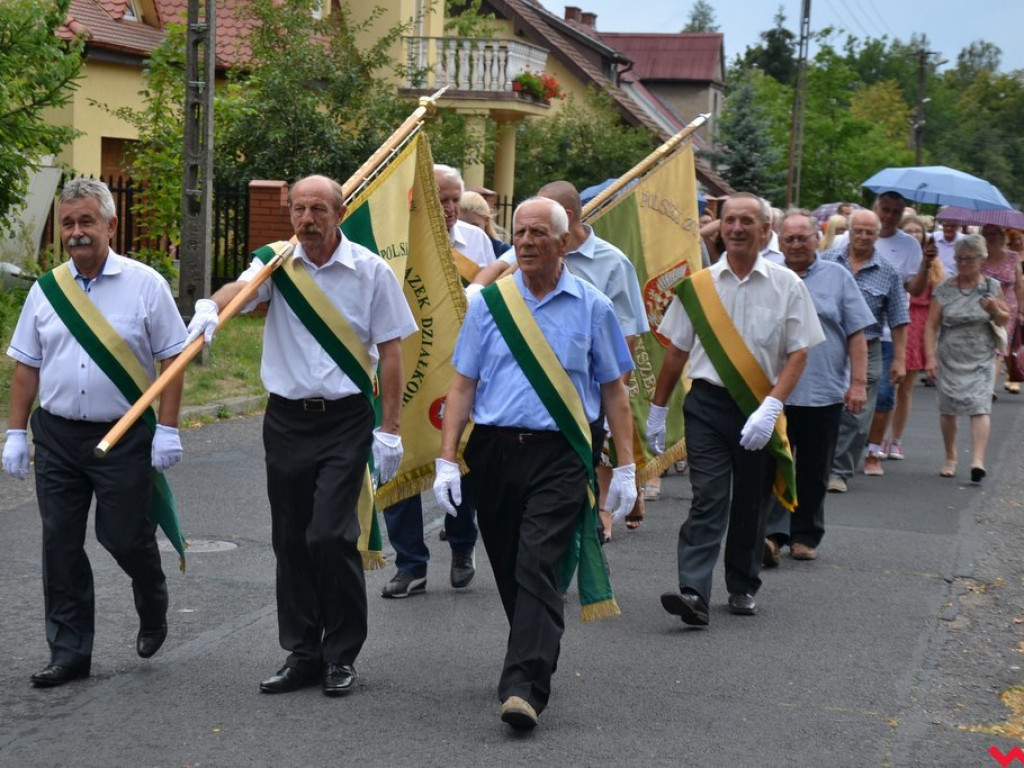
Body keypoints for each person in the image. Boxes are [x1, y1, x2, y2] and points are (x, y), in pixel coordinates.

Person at [185, 174, 417, 696]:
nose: (306, 220)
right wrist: (209, 307)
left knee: (332, 535)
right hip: (287, 420)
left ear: (339, 213)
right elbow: (238, 292)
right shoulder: (276, 262)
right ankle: (302, 652)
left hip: (345, 419)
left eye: (318, 209)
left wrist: (391, 428)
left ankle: (341, 654)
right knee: (290, 539)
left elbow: (394, 353)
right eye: (298, 209)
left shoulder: (371, 272)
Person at [433, 197, 637, 729]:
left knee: (538, 563)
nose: (525, 242)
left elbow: (615, 392)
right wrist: (446, 459)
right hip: (495, 452)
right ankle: (532, 648)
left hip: (562, 453)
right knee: (508, 566)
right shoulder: (488, 304)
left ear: (564, 242)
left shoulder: (593, 306)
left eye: (538, 233)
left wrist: (629, 467)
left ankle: (524, 685)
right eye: (519, 232)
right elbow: (462, 385)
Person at [3, 178, 187, 687]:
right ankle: (69, 652)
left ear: (110, 224)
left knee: (122, 537)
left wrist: (167, 430)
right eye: (68, 223)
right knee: (59, 542)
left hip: (124, 434)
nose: (77, 232)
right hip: (59, 436)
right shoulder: (46, 290)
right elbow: (26, 368)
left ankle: (152, 594)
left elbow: (173, 360)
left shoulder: (145, 284)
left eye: (87, 221)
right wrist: (16, 432)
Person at [647, 192, 823, 625]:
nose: (738, 228)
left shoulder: (788, 285)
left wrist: (771, 408)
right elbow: (676, 353)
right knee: (708, 496)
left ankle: (743, 583)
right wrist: (656, 409)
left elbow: (798, 354)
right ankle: (694, 591)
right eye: (730, 221)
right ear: (721, 228)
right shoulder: (700, 286)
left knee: (749, 500)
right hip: (707, 403)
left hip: (760, 405)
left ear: (767, 231)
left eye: (748, 221)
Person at [467, 180, 650, 540]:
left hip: (578, 408)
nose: (526, 239)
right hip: (516, 409)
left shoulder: (613, 264)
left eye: (538, 225)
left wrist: (613, 411)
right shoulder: (529, 246)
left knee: (569, 517)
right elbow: (494, 269)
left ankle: (598, 523)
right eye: (522, 230)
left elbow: (623, 341)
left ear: (563, 222)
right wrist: (474, 291)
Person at [379, 165, 483, 600]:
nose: (452, 208)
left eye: (456, 198)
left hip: (459, 373)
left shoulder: (477, 244)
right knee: (397, 461)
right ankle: (410, 564)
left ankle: (461, 547)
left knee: (459, 461)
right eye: (442, 199)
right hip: (407, 364)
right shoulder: (396, 244)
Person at [763, 210, 873, 564]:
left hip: (823, 390)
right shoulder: (769, 276)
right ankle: (771, 536)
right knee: (773, 465)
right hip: (774, 392)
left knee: (813, 468)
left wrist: (857, 384)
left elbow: (857, 333)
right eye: (789, 239)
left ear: (817, 239)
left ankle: (805, 535)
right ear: (779, 242)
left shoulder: (837, 276)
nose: (796, 244)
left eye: (803, 238)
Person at [822, 209, 909, 493]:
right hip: (827, 345)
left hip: (869, 348)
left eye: (869, 232)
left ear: (877, 235)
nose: (862, 237)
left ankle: (839, 471)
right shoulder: (826, 262)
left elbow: (897, 319)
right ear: (849, 231)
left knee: (857, 413)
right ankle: (815, 465)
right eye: (857, 231)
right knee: (821, 407)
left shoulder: (888, 272)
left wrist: (899, 359)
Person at [925, 235, 1009, 482]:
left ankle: (978, 460)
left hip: (982, 355)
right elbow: (931, 326)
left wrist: (994, 309)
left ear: (982, 259)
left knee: (980, 406)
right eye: (959, 258)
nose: (963, 263)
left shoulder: (992, 287)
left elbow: (1004, 319)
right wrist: (930, 358)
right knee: (948, 408)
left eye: (969, 258)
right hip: (950, 355)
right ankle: (950, 456)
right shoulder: (945, 289)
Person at [859, 193, 923, 475]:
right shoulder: (850, 241)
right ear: (875, 209)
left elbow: (915, 290)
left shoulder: (909, 246)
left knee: (884, 394)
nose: (889, 216)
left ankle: (873, 451)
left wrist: (928, 265)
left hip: (888, 331)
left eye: (896, 212)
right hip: (853, 331)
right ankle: (845, 449)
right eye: (885, 209)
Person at [885, 216, 944, 459]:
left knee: (905, 388)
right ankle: (877, 436)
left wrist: (928, 264)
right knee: (886, 386)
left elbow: (938, 295)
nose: (913, 235)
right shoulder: (895, 257)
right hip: (895, 320)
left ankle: (896, 439)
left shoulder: (933, 263)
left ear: (923, 235)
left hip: (919, 323)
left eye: (917, 231)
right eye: (908, 230)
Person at [980, 224, 1024, 395]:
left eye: (993, 233)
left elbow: (1019, 286)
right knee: (985, 346)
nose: (989, 237)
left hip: (1008, 309)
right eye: (986, 234)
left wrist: (1021, 311)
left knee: (999, 348)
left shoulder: (1013, 258)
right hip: (984, 306)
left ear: (1001, 236)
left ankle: (989, 388)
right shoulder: (979, 258)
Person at [459, 190, 511, 260]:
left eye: (474, 226)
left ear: (486, 220)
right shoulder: (447, 248)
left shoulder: (503, 251)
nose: (470, 231)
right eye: (462, 225)